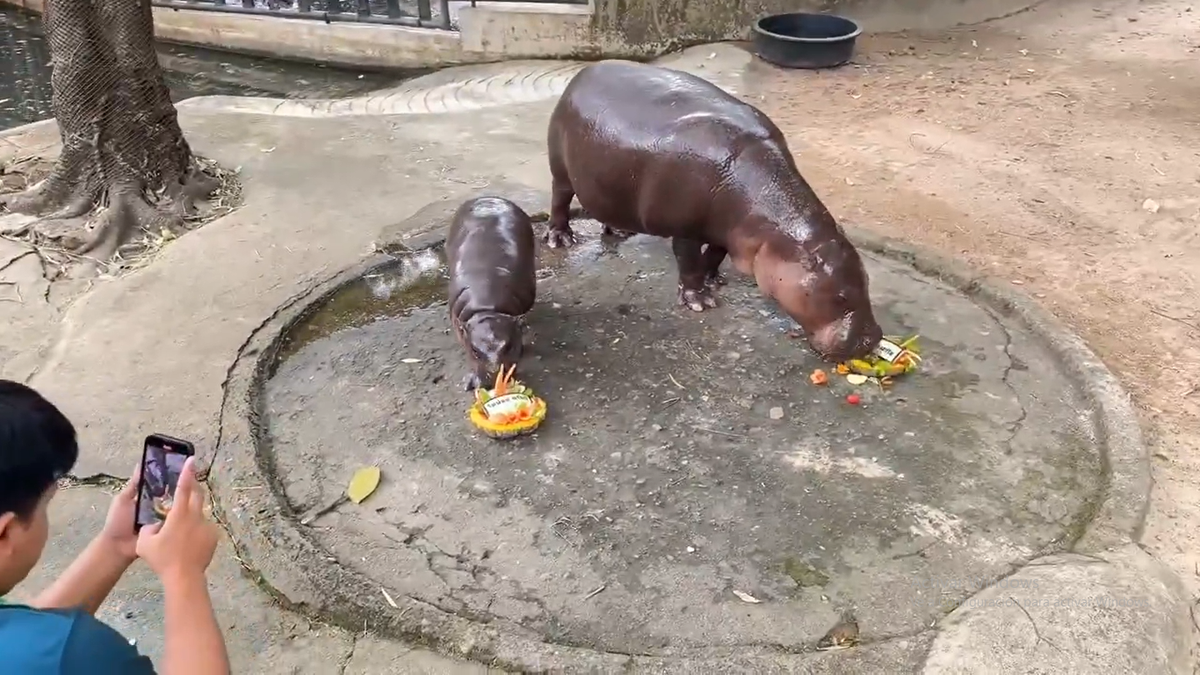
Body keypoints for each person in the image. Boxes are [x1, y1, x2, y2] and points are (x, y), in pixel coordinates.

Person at [0, 379, 231, 674]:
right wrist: (183, 574)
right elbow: (53, 655)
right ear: (5, 531)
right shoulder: (84, 655)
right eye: (46, 505)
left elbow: (34, 643)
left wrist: (115, 545)